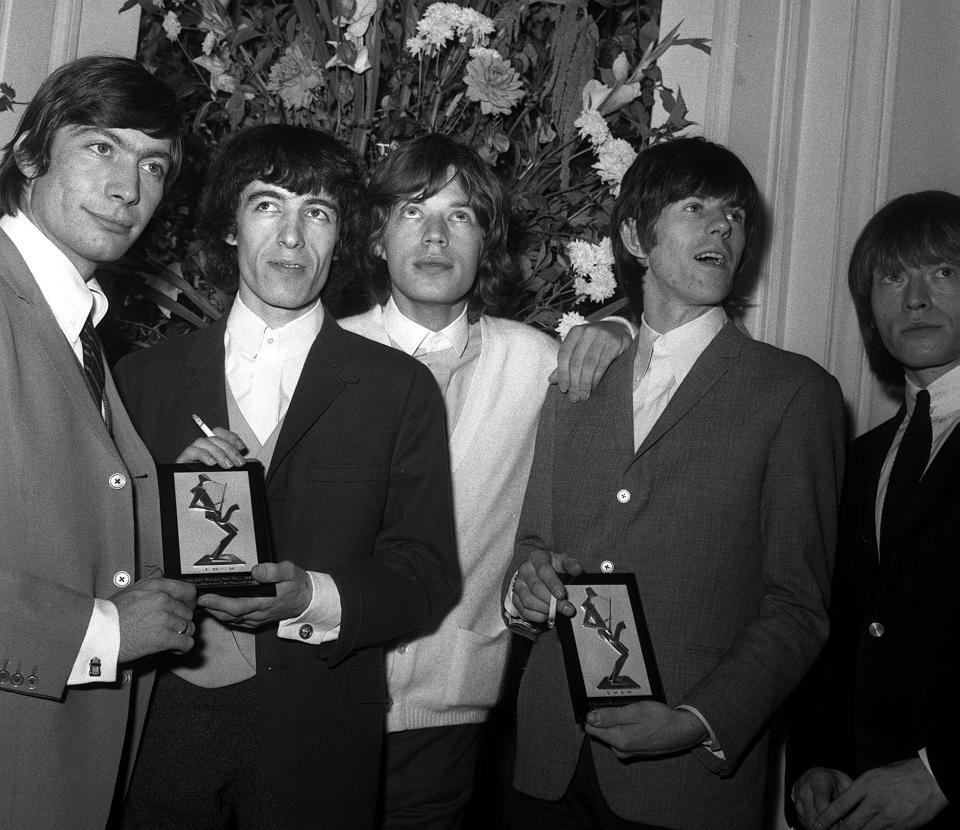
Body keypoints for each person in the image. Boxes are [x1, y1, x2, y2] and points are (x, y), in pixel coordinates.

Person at [113, 124, 459, 830]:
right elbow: (101, 555)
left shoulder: (399, 388)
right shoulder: (142, 379)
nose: (294, 238)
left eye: (319, 213)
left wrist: (312, 597)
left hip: (318, 732)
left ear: (343, 237)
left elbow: (427, 576)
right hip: (159, 722)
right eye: (268, 205)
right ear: (231, 229)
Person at [505, 136, 846, 829]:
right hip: (546, 764)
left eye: (736, 215)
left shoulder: (795, 393)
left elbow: (798, 606)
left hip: (686, 786)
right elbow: (532, 544)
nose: (722, 226)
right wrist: (526, 587)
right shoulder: (577, 378)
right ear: (635, 235)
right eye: (696, 207)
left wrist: (698, 720)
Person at [337, 133, 632, 830]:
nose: (436, 235)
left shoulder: (536, 365)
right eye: (412, 211)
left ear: (486, 245)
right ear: (377, 239)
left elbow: (659, 390)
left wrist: (620, 326)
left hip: (453, 700)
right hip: (326, 692)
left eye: (461, 216)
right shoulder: (326, 352)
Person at [0, 56, 197, 829]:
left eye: (154, 164)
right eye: (101, 148)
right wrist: (105, 631)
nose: (129, 188)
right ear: (28, 154)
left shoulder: (74, 320)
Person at [786, 191, 959, 830]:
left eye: (942, 271)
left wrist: (943, 772)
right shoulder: (859, 459)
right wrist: (817, 760)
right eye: (892, 276)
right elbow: (839, 626)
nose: (915, 298)